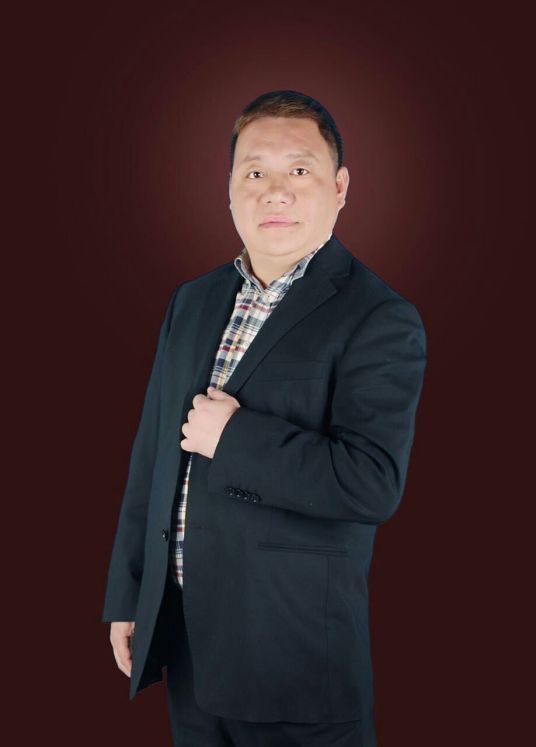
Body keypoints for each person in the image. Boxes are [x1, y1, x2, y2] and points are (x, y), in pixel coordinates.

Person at [101, 89, 427, 747]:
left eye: (299, 169)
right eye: (254, 172)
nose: (275, 191)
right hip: (187, 644)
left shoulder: (379, 317)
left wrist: (234, 438)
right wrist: (129, 594)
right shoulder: (192, 301)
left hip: (296, 664)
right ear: (229, 190)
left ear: (340, 187)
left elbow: (371, 483)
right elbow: (153, 455)